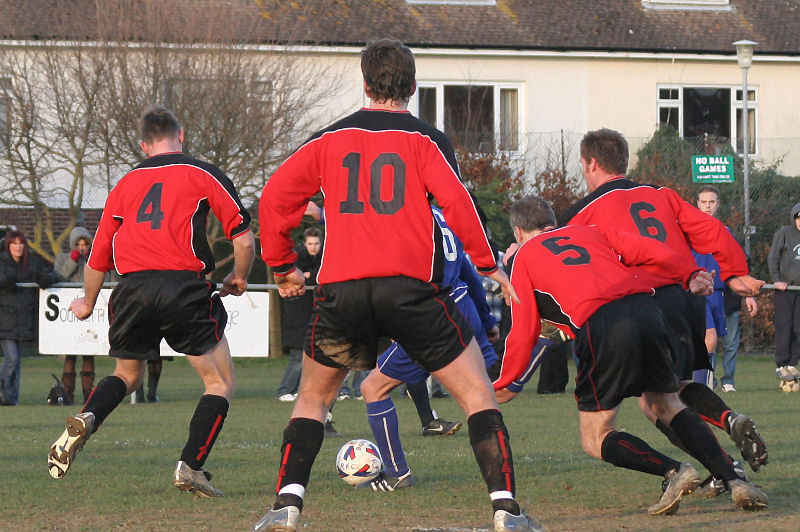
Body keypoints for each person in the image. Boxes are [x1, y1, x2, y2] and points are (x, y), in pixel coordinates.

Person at [255, 39, 540, 532]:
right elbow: (457, 203)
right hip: (410, 291)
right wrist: (488, 263)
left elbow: (274, 199)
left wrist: (282, 266)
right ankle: (506, 511)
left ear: (364, 84)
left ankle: (286, 507)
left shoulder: (328, 139)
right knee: (477, 396)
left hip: (341, 292)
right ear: (412, 86)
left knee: (313, 400)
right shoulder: (426, 140)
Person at [497, 196, 767, 515]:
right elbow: (650, 250)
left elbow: (523, 329)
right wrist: (689, 273)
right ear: (553, 221)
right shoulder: (590, 231)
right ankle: (736, 482)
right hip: (647, 310)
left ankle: (673, 471)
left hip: (602, 325)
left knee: (595, 436)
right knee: (665, 403)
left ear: (518, 231)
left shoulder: (523, 257)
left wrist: (507, 381)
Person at [46, 106, 255, 499]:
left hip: (132, 289)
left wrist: (87, 304)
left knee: (127, 375)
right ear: (182, 135)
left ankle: (88, 416)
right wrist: (239, 277)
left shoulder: (124, 186)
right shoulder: (201, 172)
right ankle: (191, 467)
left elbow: (97, 258)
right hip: (183, 286)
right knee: (219, 381)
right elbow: (243, 239)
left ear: (143, 145)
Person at [560, 128, 768, 477]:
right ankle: (728, 420)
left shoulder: (580, 213)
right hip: (684, 298)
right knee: (679, 389)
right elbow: (714, 231)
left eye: (583, 165)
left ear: (591, 163)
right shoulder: (662, 195)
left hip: (639, 305)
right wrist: (734, 273)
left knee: (657, 404)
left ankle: (724, 469)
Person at [358, 205, 498, 491]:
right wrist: (486, 319)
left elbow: (393, 270)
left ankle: (397, 474)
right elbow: (468, 274)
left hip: (432, 314)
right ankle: (501, 486)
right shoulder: (444, 214)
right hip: (463, 306)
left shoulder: (402, 213)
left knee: (373, 388)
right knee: (480, 396)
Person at [695, 186, 758, 392]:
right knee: (709, 340)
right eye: (704, 202)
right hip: (697, 295)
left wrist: (748, 294)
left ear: (718, 204)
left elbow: (736, 266)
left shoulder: (725, 232)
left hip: (720, 295)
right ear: (698, 204)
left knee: (723, 341)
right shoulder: (689, 231)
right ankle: (701, 387)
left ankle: (712, 382)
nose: (707, 206)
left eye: (711, 202)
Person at [54, 227, 117, 405]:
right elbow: (59, 276)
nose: (82, 248)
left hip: (92, 312)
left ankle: (88, 393)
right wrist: (73, 260)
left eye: (85, 244)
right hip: (70, 312)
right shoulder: (63, 259)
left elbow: (106, 280)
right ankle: (67, 393)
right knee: (70, 354)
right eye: (79, 244)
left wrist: (92, 260)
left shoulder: (95, 260)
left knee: (89, 353)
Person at [0, 230, 60, 405]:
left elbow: (50, 275)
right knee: (12, 358)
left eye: (21, 243)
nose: (18, 247)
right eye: (14, 243)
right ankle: (2, 390)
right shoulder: (2, 263)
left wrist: (46, 279)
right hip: (5, 319)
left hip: (23, 319)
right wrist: (7, 280)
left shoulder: (31, 264)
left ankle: (11, 399)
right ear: (8, 246)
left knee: (17, 362)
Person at [276, 227, 323, 402]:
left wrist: (310, 276)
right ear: (305, 243)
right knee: (298, 356)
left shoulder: (320, 258)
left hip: (310, 312)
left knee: (307, 357)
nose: (313, 247)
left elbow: (316, 277)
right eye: (310, 244)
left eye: (316, 243)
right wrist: (308, 277)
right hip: (297, 314)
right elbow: (297, 277)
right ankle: (283, 390)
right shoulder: (297, 258)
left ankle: (295, 389)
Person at [767, 202, 800, 387]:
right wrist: (776, 279)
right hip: (786, 290)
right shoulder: (784, 233)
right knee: (784, 326)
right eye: (798, 218)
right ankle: (781, 363)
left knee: (798, 328)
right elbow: (773, 257)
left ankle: (792, 363)